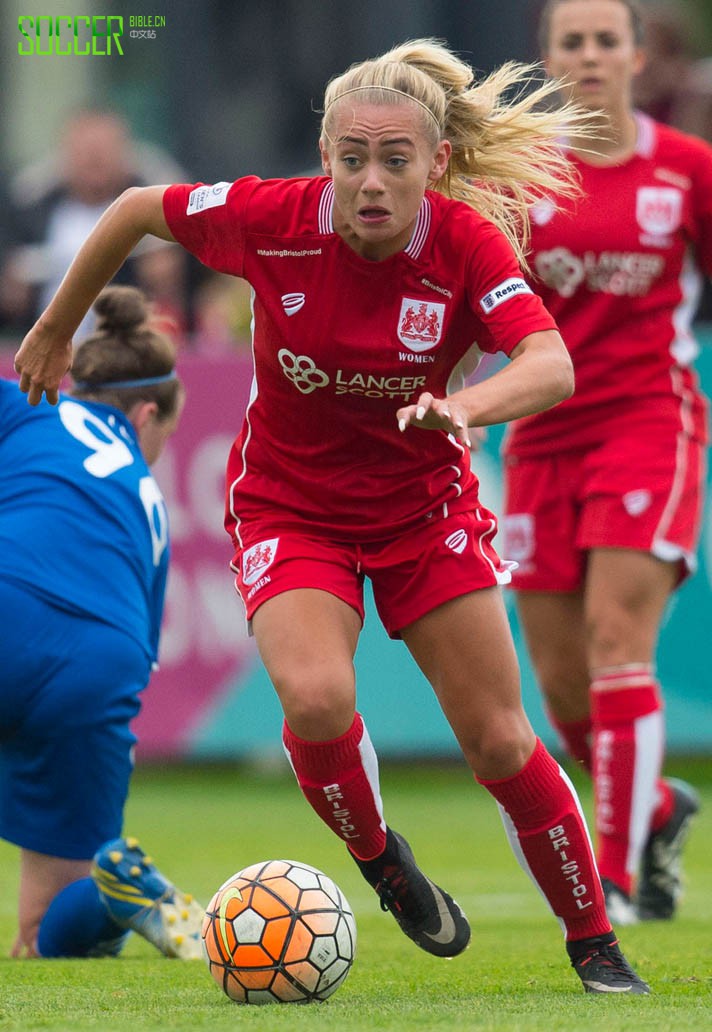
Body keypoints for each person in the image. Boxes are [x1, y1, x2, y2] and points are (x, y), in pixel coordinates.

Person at [14, 39, 649, 994]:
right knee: (314, 700)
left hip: (425, 513)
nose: (371, 182)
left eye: (395, 160)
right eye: (352, 159)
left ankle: (595, 944)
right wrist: (55, 327)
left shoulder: (466, 244)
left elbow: (550, 363)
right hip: (290, 507)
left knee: (500, 741)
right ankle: (382, 859)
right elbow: (138, 206)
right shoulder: (272, 219)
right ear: (326, 157)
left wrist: (464, 407)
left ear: (436, 162)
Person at [502, 0, 708, 927]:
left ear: (637, 54)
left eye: (605, 40)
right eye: (571, 42)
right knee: (560, 684)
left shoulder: (690, 169)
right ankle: (656, 808)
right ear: (548, 59)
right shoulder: (520, 175)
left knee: (618, 639)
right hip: (542, 435)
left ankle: (615, 880)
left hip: (649, 424)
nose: (589, 55)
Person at [0, 285, 204, 959]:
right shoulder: (150, 511)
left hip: (10, 603)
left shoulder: (24, 407)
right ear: (146, 415)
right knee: (43, 936)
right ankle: (117, 893)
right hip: (99, 664)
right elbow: (139, 647)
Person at [0, 109, 187, 339]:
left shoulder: (149, 210)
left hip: (123, 345)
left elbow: (183, 292)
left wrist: (165, 275)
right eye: (85, 151)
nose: (94, 160)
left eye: (104, 151)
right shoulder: (29, 212)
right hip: (37, 344)